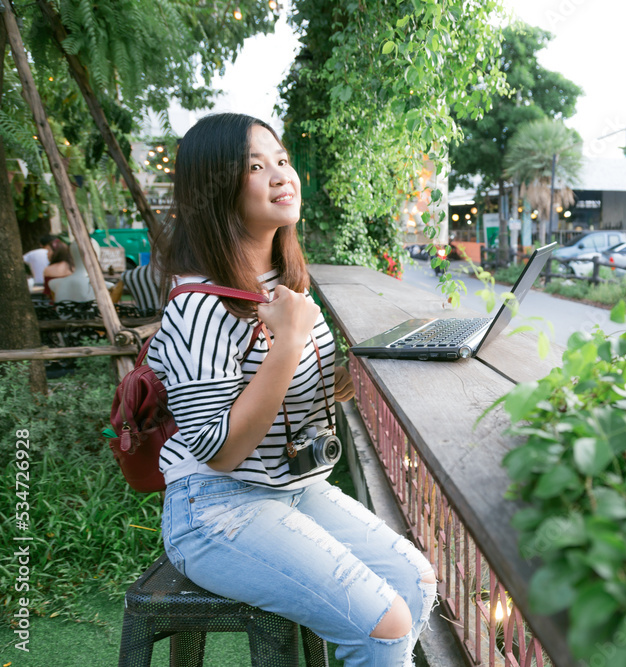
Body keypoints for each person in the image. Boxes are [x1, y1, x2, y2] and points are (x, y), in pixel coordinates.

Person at [144, 113, 436, 666]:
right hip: (213, 509)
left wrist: (376, 365)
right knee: (385, 624)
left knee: (415, 579)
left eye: (281, 159)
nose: (281, 175)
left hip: (292, 489)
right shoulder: (197, 307)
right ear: (216, 192)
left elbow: (305, 394)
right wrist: (289, 340)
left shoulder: (283, 287)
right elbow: (222, 450)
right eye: (256, 166)